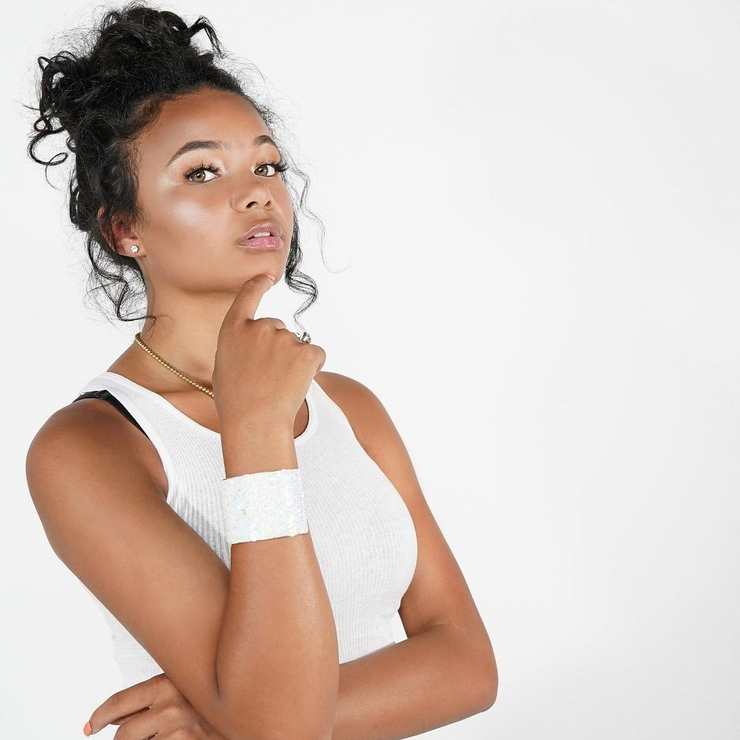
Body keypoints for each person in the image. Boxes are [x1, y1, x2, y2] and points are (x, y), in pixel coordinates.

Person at [24, 3, 498, 738]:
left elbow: (469, 666)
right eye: (201, 171)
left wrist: (224, 719)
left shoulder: (350, 408)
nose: (257, 192)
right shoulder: (90, 448)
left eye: (266, 164)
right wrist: (255, 434)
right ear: (125, 228)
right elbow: (279, 729)